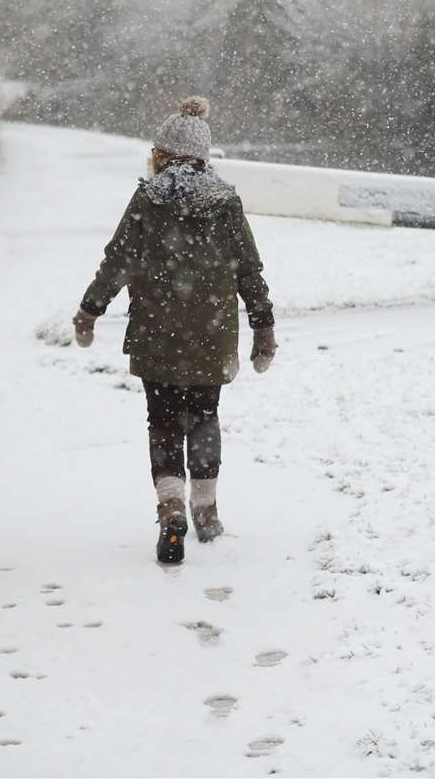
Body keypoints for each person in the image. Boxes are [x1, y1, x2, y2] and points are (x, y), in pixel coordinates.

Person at [72, 97, 278, 564]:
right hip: (212, 330)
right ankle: (205, 511)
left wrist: (91, 309)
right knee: (204, 415)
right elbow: (249, 270)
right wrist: (263, 328)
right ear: (204, 157)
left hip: (156, 331)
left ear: (162, 154)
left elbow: (118, 260)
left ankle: (170, 511)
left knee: (163, 420)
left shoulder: (148, 198)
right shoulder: (225, 202)